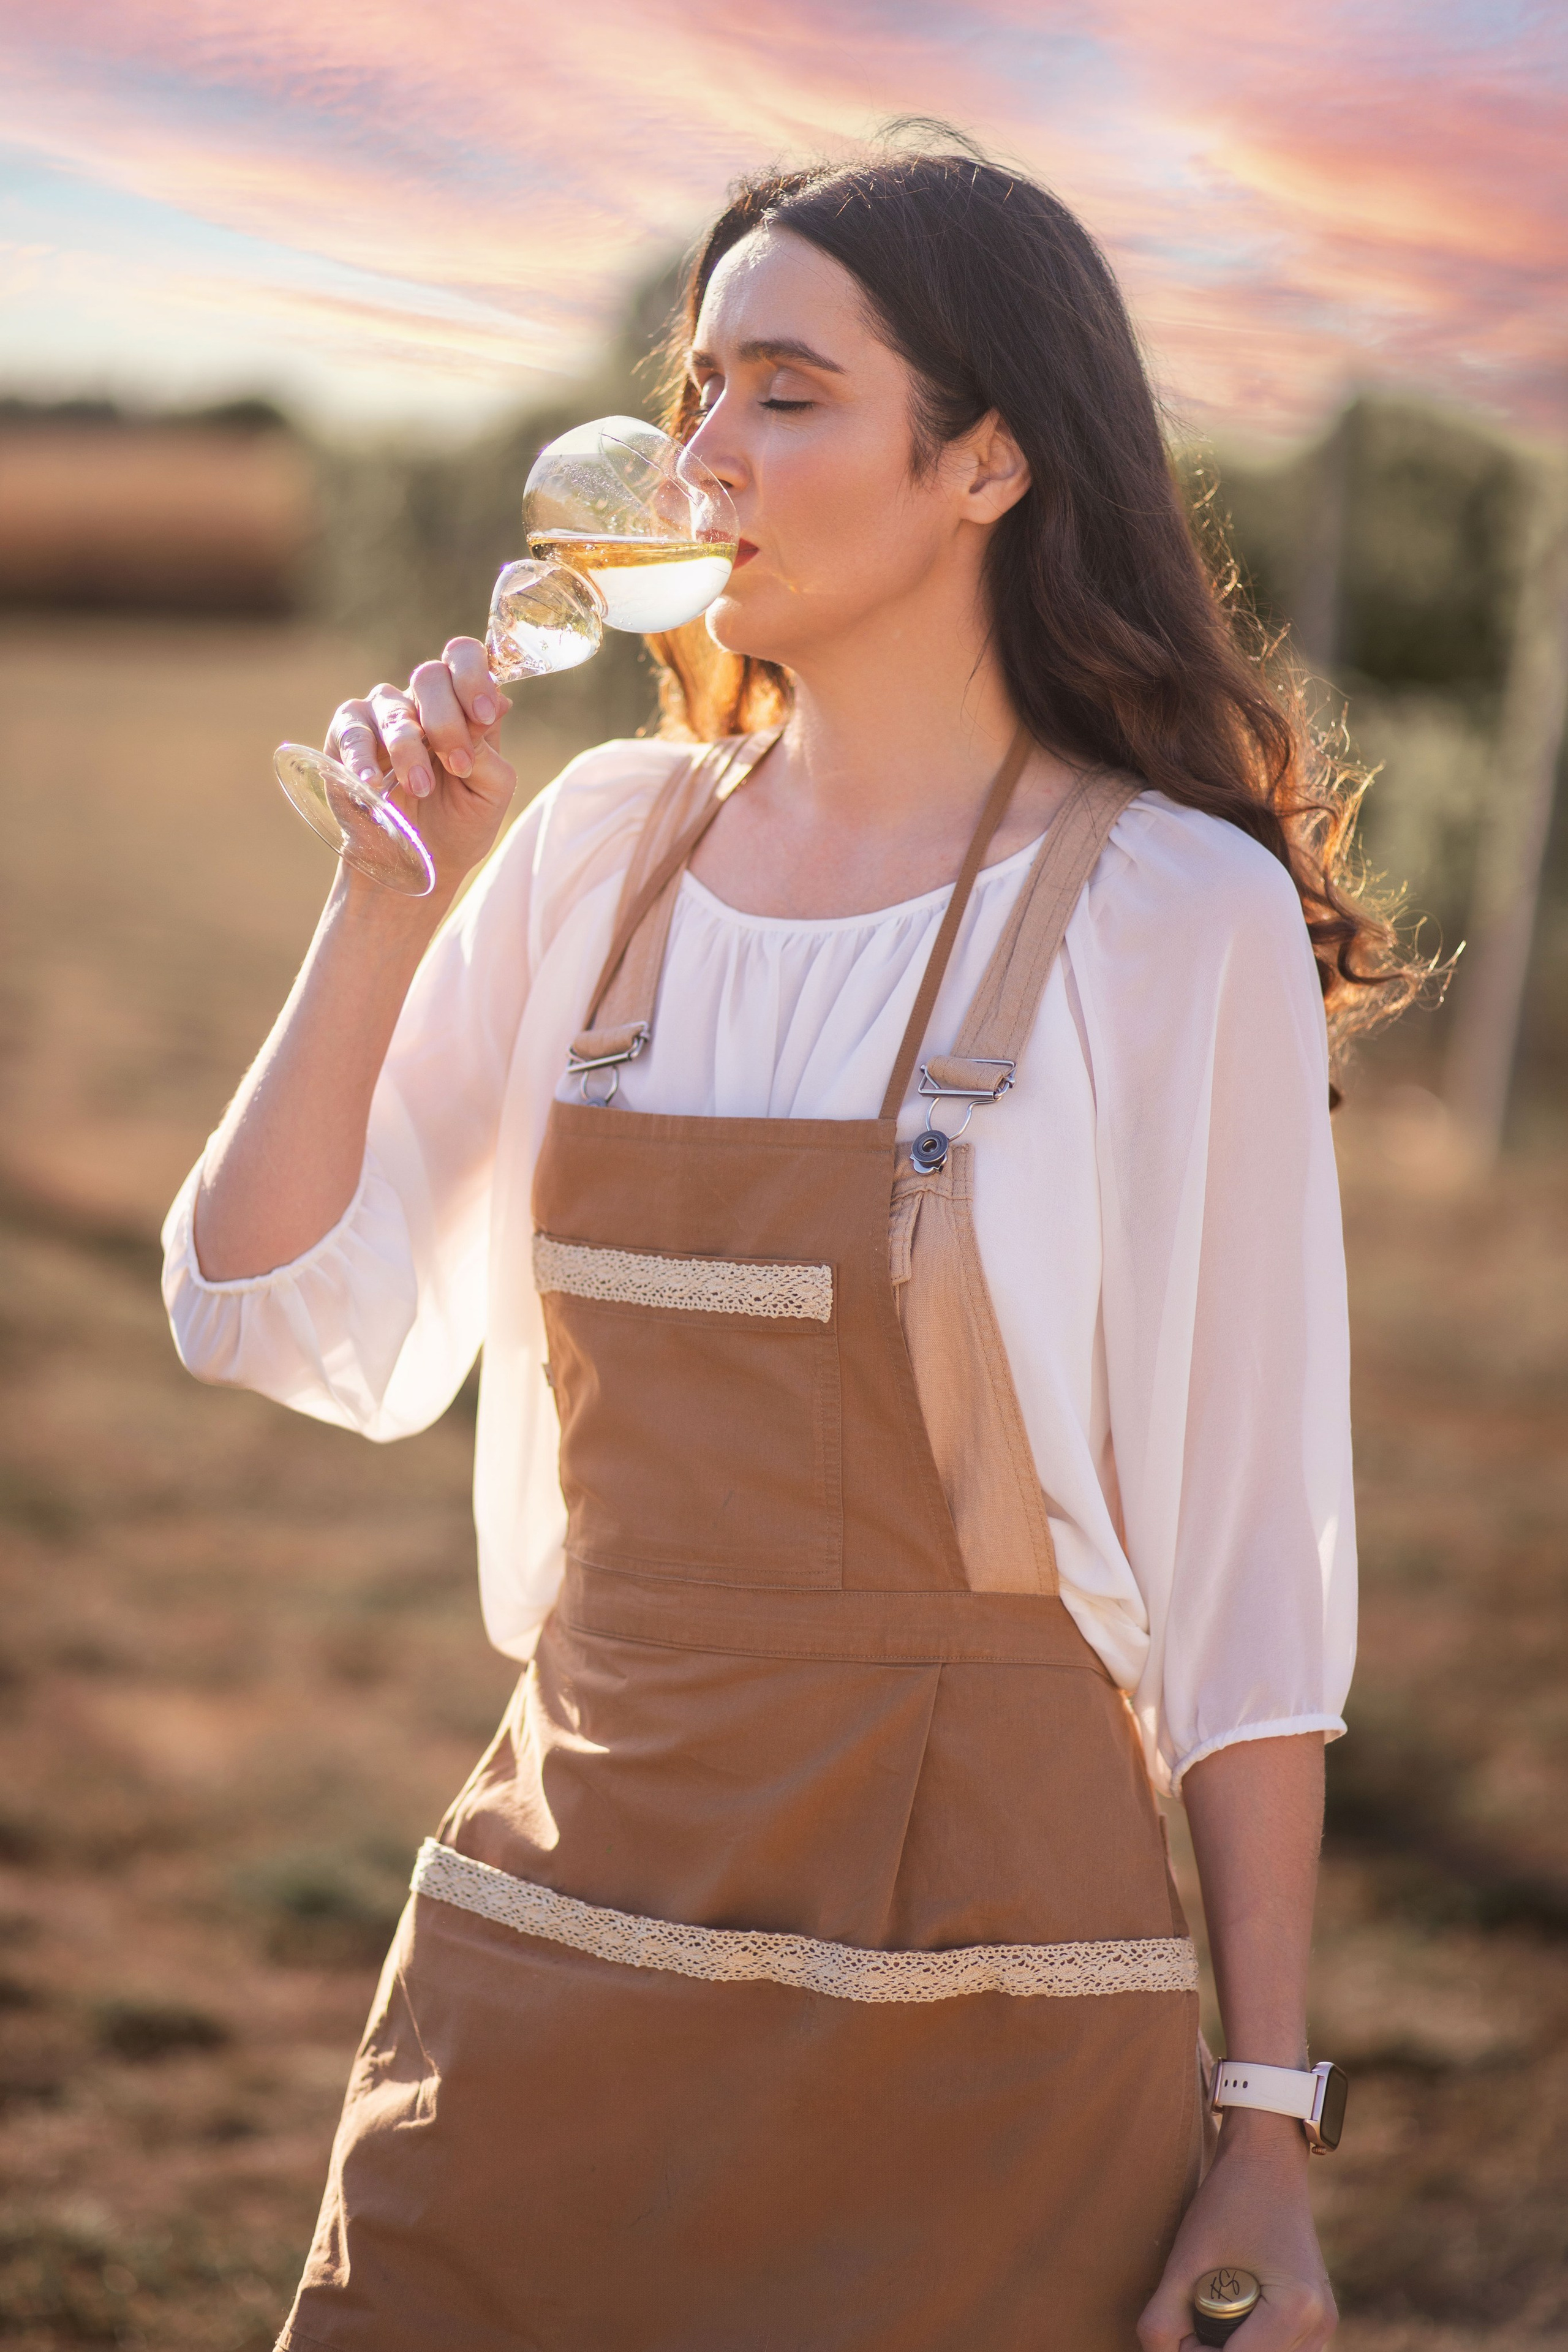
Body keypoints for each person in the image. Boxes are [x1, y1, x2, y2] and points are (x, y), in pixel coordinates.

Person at [164, 133, 1415, 2352]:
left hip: (992, 2006)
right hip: (560, 1944)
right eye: (699, 389)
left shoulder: (1171, 915)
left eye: (787, 393)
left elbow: (1246, 1579)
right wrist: (379, 902)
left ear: (989, 460)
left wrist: (1265, 2124)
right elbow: (256, 1308)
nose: (702, 456)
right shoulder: (598, 847)